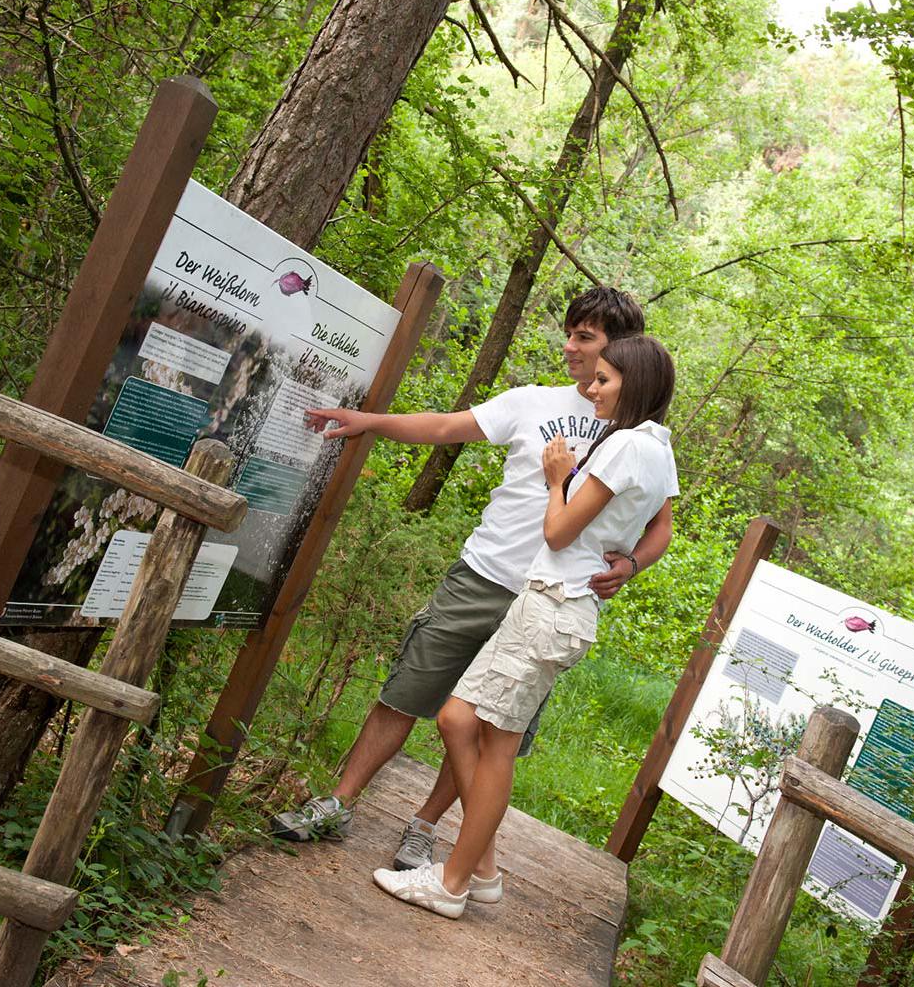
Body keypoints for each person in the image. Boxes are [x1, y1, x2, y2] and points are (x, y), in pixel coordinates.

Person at [268, 288, 675, 871]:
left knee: (488, 727)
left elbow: (661, 526)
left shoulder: (638, 435)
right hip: (484, 576)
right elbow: (443, 428)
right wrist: (370, 422)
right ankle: (337, 802)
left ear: (622, 350)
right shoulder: (532, 403)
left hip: (550, 600)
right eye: (571, 334)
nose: (569, 347)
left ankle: (424, 828)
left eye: (584, 338)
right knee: (406, 691)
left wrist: (631, 566)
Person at [371, 335, 678, 918]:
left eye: (605, 380)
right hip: (548, 604)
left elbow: (558, 532)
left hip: (554, 605)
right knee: (458, 718)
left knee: (496, 745)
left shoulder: (624, 447)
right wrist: (628, 558)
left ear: (633, 386)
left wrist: (557, 477)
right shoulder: (659, 448)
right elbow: (647, 526)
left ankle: (454, 884)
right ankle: (479, 868)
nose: (591, 388)